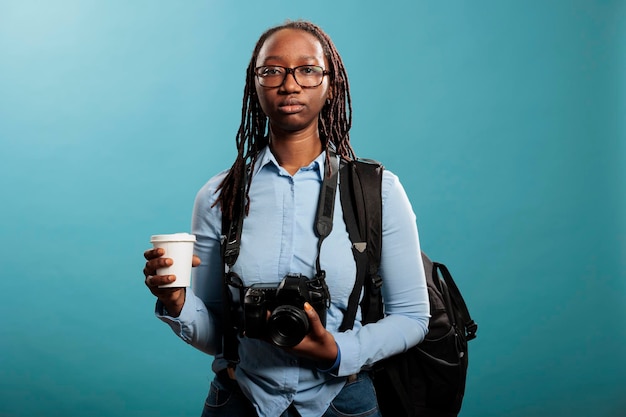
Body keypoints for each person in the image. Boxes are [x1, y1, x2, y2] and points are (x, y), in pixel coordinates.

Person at [142, 20, 429, 417]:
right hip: (239, 399)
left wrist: (338, 351)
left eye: (308, 70)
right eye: (272, 70)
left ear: (331, 84)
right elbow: (217, 333)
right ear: (254, 83)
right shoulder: (217, 196)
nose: (290, 84)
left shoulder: (376, 191)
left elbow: (413, 317)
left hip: (342, 401)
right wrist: (175, 302)